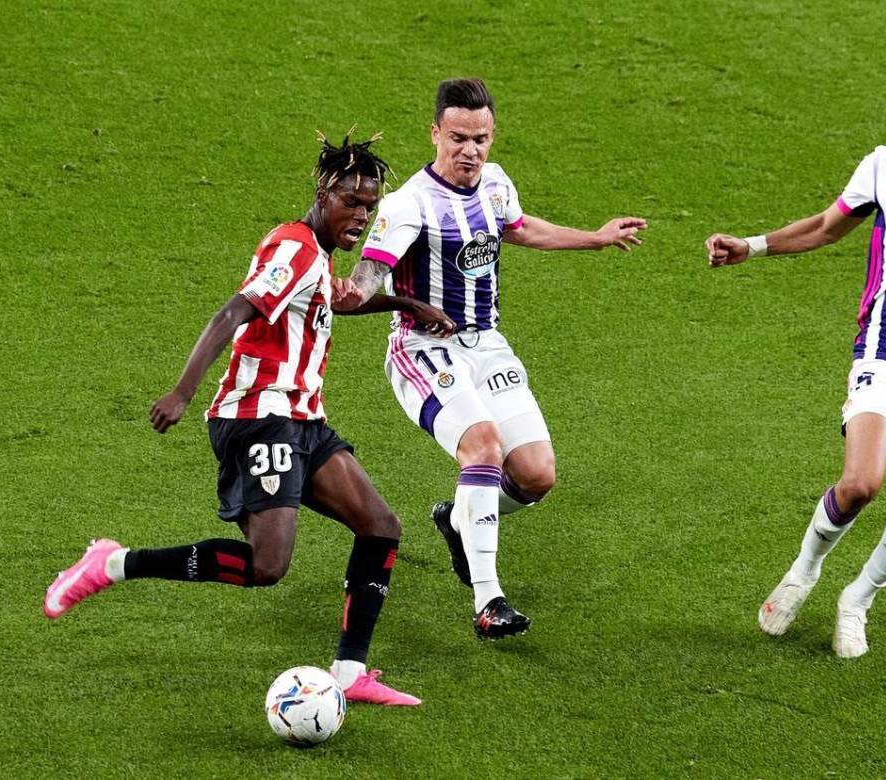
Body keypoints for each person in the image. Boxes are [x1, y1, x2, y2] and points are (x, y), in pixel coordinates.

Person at [43, 131, 456, 704]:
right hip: (260, 416)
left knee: (380, 526)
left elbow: (328, 299)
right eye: (351, 202)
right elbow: (233, 311)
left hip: (302, 419)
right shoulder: (294, 247)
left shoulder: (315, 254)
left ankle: (348, 673)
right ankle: (112, 563)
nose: (361, 216)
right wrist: (182, 392)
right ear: (322, 194)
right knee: (267, 565)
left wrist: (404, 304)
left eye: (369, 205)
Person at [331, 78, 648, 639]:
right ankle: (488, 600)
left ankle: (459, 520)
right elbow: (360, 288)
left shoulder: (495, 183)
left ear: (492, 136)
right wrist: (373, 293)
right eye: (458, 138)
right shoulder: (409, 206)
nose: (470, 151)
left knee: (536, 475)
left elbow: (519, 229)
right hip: (423, 349)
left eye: (480, 139)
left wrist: (595, 238)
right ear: (435, 134)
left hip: (488, 345)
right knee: (483, 447)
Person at [706, 71, 886, 657]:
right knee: (861, 484)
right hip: (884, 355)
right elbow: (824, 228)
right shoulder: (884, 167)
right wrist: (751, 246)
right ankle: (803, 571)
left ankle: (857, 600)